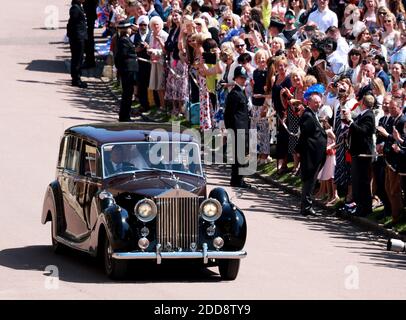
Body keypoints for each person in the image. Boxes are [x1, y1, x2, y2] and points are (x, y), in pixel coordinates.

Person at [295, 84, 327, 216]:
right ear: (309, 101)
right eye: (315, 102)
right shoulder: (308, 115)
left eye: (319, 102)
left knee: (311, 180)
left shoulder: (313, 114)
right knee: (309, 180)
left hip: (315, 154)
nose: (318, 105)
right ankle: (306, 206)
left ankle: (306, 205)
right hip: (311, 154)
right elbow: (305, 136)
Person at [345, 94, 376, 217]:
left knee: (362, 181)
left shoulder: (369, 116)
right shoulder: (363, 114)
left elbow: (362, 131)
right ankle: (359, 206)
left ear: (363, 103)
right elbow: (356, 121)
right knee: (357, 181)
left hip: (363, 154)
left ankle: (365, 208)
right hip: (357, 152)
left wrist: (350, 122)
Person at [224, 66, 251, 188]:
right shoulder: (234, 94)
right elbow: (228, 114)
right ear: (235, 79)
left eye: (244, 78)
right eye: (241, 78)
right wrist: (230, 129)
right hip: (237, 129)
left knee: (241, 155)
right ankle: (237, 180)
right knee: (238, 156)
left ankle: (238, 179)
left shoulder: (241, 92)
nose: (243, 80)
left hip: (243, 128)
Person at [115, 20, 139, 122]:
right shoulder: (124, 40)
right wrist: (134, 52)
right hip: (127, 69)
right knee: (127, 94)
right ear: (126, 29)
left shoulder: (124, 39)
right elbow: (124, 55)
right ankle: (124, 116)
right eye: (129, 27)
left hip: (128, 69)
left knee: (128, 94)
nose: (131, 29)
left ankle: (125, 115)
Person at [67, 0, 88, 88]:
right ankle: (76, 79)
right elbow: (72, 23)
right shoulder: (75, 8)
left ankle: (77, 77)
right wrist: (74, 36)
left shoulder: (78, 6)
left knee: (79, 58)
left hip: (79, 36)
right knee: (77, 58)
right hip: (77, 37)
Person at [83, 0, 99, 69]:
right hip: (89, 11)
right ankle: (89, 60)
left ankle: (90, 61)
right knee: (88, 38)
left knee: (88, 39)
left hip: (89, 12)